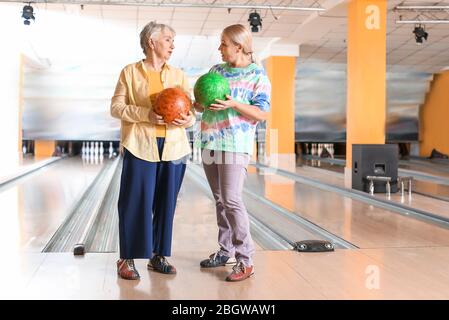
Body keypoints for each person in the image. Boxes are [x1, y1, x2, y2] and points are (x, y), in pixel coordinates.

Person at [111, 21, 195, 280]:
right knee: (134, 202)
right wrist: (145, 114)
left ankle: (159, 256)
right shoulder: (130, 72)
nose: (172, 44)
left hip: (173, 147)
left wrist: (188, 120)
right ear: (151, 42)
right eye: (168, 39)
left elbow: (190, 112)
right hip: (140, 145)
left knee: (166, 203)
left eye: (172, 40)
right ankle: (127, 259)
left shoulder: (178, 75)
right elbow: (116, 107)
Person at [194, 24, 271, 282]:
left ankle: (245, 260)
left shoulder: (257, 76)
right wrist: (194, 101)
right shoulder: (216, 71)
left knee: (232, 200)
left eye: (224, 43)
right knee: (219, 200)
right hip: (210, 141)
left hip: (235, 145)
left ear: (239, 46)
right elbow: (202, 101)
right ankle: (225, 251)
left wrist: (235, 103)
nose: (220, 48)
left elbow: (261, 113)